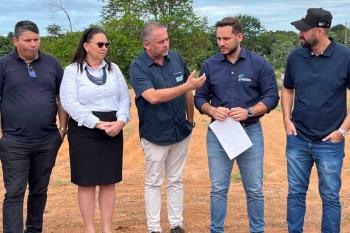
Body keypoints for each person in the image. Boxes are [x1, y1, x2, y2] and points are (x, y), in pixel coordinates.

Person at [194, 17, 279, 233]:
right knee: (218, 189)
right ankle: (216, 230)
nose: (221, 43)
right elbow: (199, 98)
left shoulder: (259, 64)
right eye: (218, 39)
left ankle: (257, 230)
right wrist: (212, 110)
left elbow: (271, 97)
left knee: (254, 190)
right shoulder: (210, 65)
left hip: (250, 131)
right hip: (219, 134)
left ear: (239, 37)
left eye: (226, 38)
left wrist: (249, 111)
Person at [129, 22, 206, 233]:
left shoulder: (176, 59)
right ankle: (154, 228)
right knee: (154, 182)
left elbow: (187, 92)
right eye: (161, 41)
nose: (166, 44)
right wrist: (186, 87)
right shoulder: (138, 67)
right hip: (155, 134)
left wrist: (190, 119)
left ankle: (176, 224)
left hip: (180, 131)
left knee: (175, 179)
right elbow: (152, 97)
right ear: (147, 44)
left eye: (167, 39)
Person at [282, 8, 350, 233]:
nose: (300, 34)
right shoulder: (295, 57)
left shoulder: (345, 57)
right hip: (298, 138)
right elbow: (288, 89)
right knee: (295, 193)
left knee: (330, 197)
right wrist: (286, 120)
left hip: (330, 142)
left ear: (319, 31)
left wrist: (343, 130)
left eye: (304, 29)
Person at [59, 27, 131, 233]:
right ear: (86, 46)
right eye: (100, 44)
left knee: (109, 182)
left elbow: (124, 98)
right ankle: (90, 229)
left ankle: (107, 228)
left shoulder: (114, 69)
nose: (104, 48)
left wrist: (121, 121)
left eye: (107, 44)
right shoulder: (72, 71)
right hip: (84, 130)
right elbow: (68, 102)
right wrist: (96, 123)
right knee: (87, 182)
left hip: (113, 129)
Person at [0, 20, 67, 233]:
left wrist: (62, 129)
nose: (33, 44)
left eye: (36, 40)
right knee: (15, 191)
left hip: (47, 139)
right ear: (15, 40)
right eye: (28, 40)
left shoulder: (51, 64)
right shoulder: (3, 65)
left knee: (39, 190)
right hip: (14, 141)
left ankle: (34, 229)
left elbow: (61, 97)